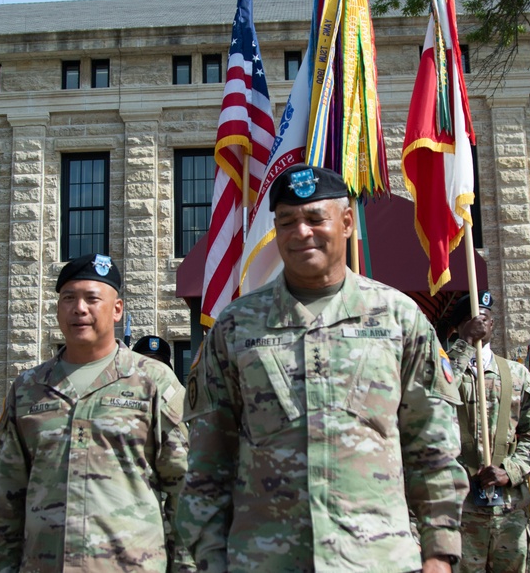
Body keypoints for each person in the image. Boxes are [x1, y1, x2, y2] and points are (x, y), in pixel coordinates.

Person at [176, 164, 468, 573]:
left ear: (346, 221)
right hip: (263, 560)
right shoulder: (236, 325)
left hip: (377, 559)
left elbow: (432, 446)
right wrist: (209, 556)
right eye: (287, 222)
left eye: (315, 219)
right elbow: (209, 460)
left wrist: (439, 552)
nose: (301, 233)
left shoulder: (398, 317)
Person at [0, 253, 191, 572]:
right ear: (57, 308)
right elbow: (6, 496)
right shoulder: (28, 388)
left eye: (92, 298)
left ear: (117, 309)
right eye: (69, 298)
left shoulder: (153, 381)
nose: (79, 308)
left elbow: (184, 489)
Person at [442, 290, 530, 573]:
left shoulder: (517, 374)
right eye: (473, 319)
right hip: (460, 507)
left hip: (508, 509)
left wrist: (509, 471)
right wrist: (465, 343)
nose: (481, 322)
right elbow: (436, 395)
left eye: (486, 318)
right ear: (458, 326)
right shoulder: (444, 367)